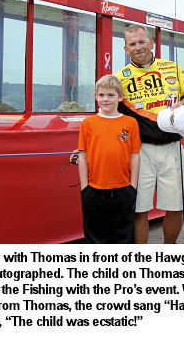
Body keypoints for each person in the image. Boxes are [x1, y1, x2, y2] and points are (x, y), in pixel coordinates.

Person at [116, 24, 184, 244]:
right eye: (132, 44)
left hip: (172, 148)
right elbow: (108, 112)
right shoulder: (120, 78)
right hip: (139, 150)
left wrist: (182, 104)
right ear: (126, 49)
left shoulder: (172, 67)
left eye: (142, 42)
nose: (138, 47)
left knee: (176, 206)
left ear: (151, 43)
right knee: (138, 209)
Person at [77, 74, 141, 243]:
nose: (106, 99)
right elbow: (82, 156)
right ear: (96, 96)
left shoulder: (131, 123)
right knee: (95, 238)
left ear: (120, 97)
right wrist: (85, 188)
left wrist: (132, 186)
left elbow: (135, 156)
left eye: (111, 95)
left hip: (123, 189)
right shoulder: (88, 123)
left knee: (123, 237)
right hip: (94, 189)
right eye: (102, 95)